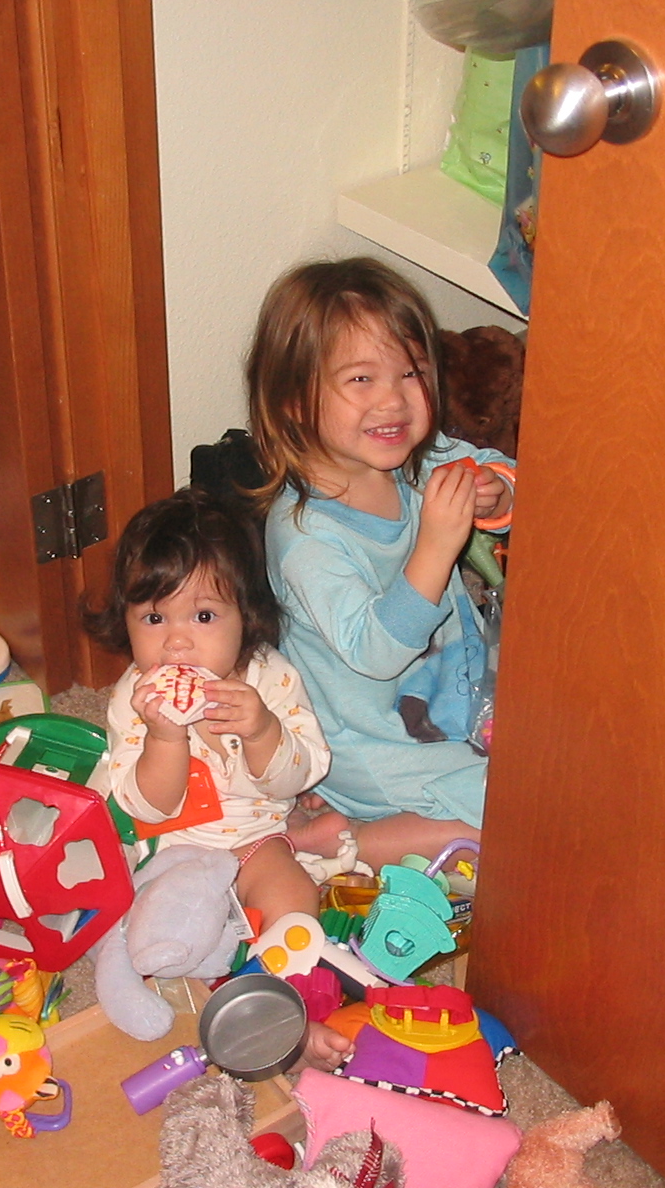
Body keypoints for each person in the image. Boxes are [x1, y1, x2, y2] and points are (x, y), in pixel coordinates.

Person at [246, 256, 516, 872]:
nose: (394, 401)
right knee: (507, 820)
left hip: (456, 694)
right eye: (361, 380)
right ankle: (343, 843)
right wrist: (434, 547)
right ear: (292, 403)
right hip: (369, 741)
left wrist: (497, 492)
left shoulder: (416, 460)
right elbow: (374, 650)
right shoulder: (306, 535)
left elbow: (489, 461)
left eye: (411, 373)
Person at [87, 487, 351, 1068]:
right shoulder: (135, 695)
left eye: (203, 616)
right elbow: (144, 808)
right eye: (154, 617)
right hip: (171, 850)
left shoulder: (272, 680)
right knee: (163, 932)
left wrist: (262, 732)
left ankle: (284, 1004)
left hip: (254, 841)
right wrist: (164, 736)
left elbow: (302, 771)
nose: (177, 640)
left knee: (294, 898)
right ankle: (218, 992)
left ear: (246, 617)